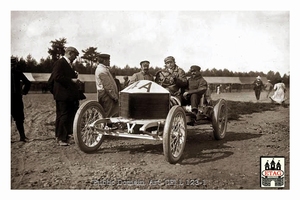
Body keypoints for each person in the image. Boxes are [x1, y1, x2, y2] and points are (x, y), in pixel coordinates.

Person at [48, 46, 83, 146]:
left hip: (63, 95)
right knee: (64, 115)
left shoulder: (66, 63)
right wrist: (72, 80)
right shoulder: (61, 62)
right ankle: (62, 138)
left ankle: (60, 136)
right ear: (70, 53)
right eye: (75, 55)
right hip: (64, 95)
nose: (76, 57)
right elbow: (57, 77)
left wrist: (73, 75)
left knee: (61, 115)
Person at [11, 57, 31, 142]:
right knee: (19, 119)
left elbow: (28, 82)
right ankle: (22, 137)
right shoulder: (18, 72)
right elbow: (27, 82)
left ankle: (22, 136)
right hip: (16, 98)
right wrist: (24, 92)